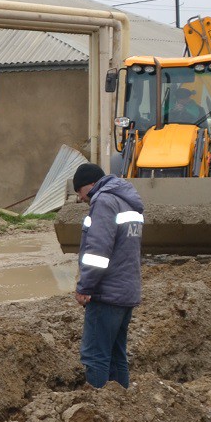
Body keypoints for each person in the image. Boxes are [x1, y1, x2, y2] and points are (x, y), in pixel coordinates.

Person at [71, 162, 145, 389]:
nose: (81, 199)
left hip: (107, 293)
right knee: (116, 354)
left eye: (80, 192)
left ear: (91, 185)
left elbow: (98, 252)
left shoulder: (104, 201)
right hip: (126, 291)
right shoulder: (127, 202)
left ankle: (97, 412)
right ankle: (121, 410)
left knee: (95, 356)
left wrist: (85, 287)